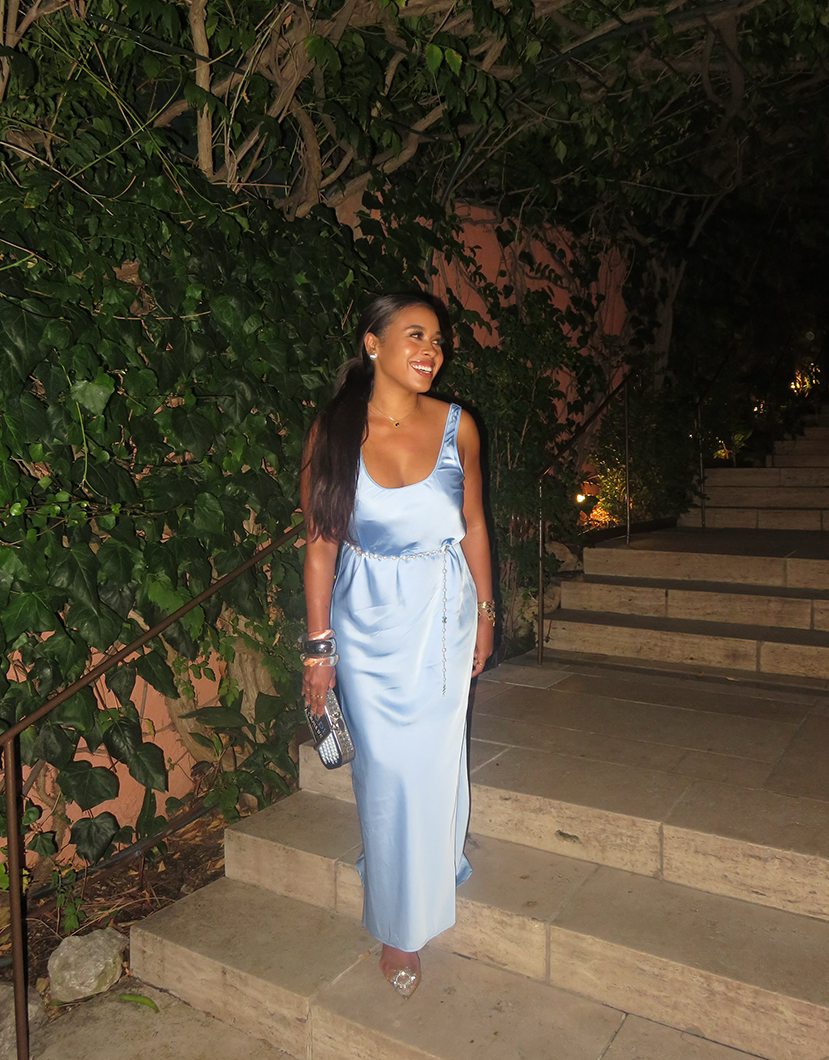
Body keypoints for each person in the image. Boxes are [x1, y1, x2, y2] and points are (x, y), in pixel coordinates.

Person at [299, 291, 495, 999]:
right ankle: (396, 912)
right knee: (384, 770)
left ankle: (412, 901)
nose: (431, 351)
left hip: (443, 612)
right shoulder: (332, 430)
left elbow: (474, 523)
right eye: (415, 335)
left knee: (433, 757)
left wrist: (486, 611)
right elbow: (319, 546)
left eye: (438, 340)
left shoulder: (458, 426)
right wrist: (317, 649)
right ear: (372, 343)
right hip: (364, 619)